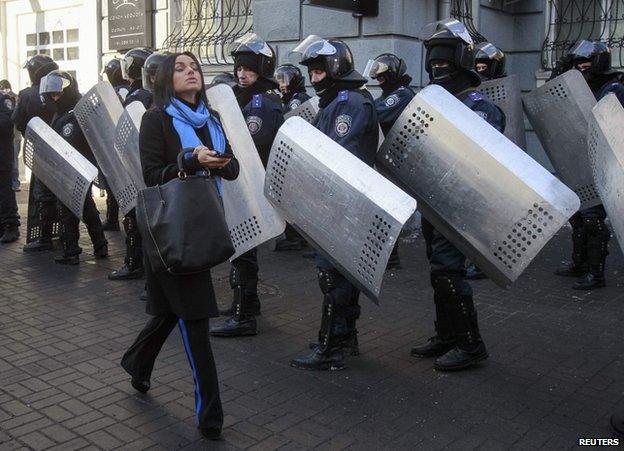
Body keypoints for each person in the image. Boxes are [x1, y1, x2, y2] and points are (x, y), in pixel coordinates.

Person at [120, 51, 239, 441]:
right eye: (181, 68)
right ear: (164, 80)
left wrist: (220, 162)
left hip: (200, 225)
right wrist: (189, 159)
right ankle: (211, 416)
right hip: (169, 228)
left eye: (195, 67)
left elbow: (233, 167)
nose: (191, 72)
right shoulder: (155, 119)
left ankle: (137, 363)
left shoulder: (212, 119)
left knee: (169, 313)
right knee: (196, 318)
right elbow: (152, 174)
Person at [410, 19, 505, 371]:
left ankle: (470, 343)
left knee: (450, 273)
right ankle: (447, 334)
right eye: (433, 62)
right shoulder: (433, 105)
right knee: (439, 273)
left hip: (461, 208)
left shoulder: (480, 107)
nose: (437, 69)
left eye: (444, 63)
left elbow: (483, 165)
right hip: (433, 204)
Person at [288, 35, 379, 370]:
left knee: (332, 275)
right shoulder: (343, 99)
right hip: (346, 200)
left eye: (319, 70)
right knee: (343, 274)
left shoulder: (347, 102)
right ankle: (343, 337)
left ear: (335, 67)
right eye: (310, 72)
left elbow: (339, 156)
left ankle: (331, 347)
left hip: (342, 201)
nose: (314, 78)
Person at [210, 33, 284, 337]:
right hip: (243, 178)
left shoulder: (261, 102)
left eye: (249, 69)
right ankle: (247, 304)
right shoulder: (249, 97)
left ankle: (243, 317)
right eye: (239, 68)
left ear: (262, 70)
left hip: (250, 181)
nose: (242, 73)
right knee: (243, 248)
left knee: (243, 247)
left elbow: (251, 143)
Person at [554, 40, 624, 290]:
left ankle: (596, 273)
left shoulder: (613, 88)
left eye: (585, 63)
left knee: (594, 218)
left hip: (604, 161)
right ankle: (579, 263)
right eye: (577, 64)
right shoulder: (584, 86)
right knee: (579, 214)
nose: (581, 68)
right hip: (580, 159)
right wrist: (561, 70)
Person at [38, 71, 109, 264]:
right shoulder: (69, 111)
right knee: (87, 209)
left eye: (57, 94)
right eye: (52, 95)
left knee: (69, 211)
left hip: (74, 170)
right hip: (79, 170)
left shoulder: (72, 115)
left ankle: (72, 250)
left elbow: (69, 144)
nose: (54, 99)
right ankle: (100, 245)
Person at [365, 53, 415, 270]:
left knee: (389, 209)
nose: (379, 79)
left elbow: (379, 114)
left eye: (383, 75)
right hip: (385, 158)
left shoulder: (402, 94)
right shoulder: (389, 93)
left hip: (395, 160)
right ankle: (386, 254)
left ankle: (390, 256)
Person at [108, 47, 154, 281]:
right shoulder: (155, 94)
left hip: (136, 163)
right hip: (151, 166)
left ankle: (134, 264)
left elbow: (125, 131)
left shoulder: (136, 97)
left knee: (134, 218)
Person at [11, 55, 59, 252]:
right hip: (62, 149)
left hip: (39, 150)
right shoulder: (61, 91)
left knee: (41, 194)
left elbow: (19, 122)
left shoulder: (27, 94)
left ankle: (44, 237)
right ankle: (68, 237)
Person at [273, 63, 311, 252]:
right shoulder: (293, 97)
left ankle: (296, 238)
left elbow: (290, 123)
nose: (282, 85)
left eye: (285, 80)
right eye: (279, 81)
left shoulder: (297, 99)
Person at [99, 57, 131, 231]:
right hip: (129, 143)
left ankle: (112, 218)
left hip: (117, 142)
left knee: (114, 183)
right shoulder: (131, 90)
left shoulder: (112, 93)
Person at [0, 80, 20, 243]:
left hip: (2, 157)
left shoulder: (4, 100)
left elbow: (7, 123)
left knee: (5, 191)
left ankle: (11, 226)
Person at [0, 80, 21, 192]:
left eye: (5, 87)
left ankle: (15, 183)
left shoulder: (13, 98)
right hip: (12, 136)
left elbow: (15, 117)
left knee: (13, 161)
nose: (4, 90)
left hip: (14, 136)